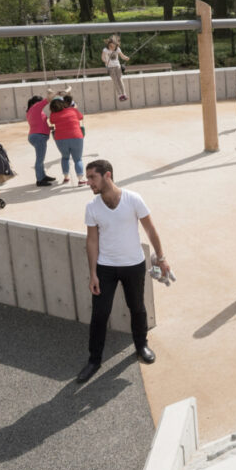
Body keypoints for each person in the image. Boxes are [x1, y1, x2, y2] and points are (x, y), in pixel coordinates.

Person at [75, 160, 170, 383]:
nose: (88, 182)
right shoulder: (92, 207)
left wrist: (161, 258)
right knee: (99, 314)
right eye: (88, 178)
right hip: (105, 268)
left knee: (137, 308)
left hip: (134, 265)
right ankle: (94, 360)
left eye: (92, 177)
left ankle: (141, 346)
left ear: (107, 175)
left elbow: (150, 229)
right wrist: (93, 273)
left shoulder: (133, 199)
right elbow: (92, 241)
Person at [48, 96, 86, 185]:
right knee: (78, 159)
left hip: (60, 139)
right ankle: (80, 180)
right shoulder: (72, 110)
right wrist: (74, 108)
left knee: (65, 158)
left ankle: (66, 177)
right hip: (76, 136)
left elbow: (52, 121)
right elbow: (81, 117)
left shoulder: (53, 114)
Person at [26, 94, 58, 186]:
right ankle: (40, 180)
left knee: (41, 158)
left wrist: (49, 128)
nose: (41, 103)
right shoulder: (36, 108)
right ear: (35, 103)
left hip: (37, 135)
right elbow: (47, 100)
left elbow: (39, 124)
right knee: (40, 159)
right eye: (39, 102)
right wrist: (56, 94)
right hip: (39, 137)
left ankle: (43, 176)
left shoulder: (31, 111)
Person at [102, 35, 129, 102]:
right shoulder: (105, 50)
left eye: (114, 46)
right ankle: (120, 95)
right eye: (111, 46)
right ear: (109, 44)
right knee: (115, 81)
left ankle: (124, 94)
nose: (112, 47)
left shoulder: (118, 49)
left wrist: (126, 58)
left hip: (117, 66)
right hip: (110, 68)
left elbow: (122, 56)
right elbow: (102, 58)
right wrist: (105, 61)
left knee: (120, 80)